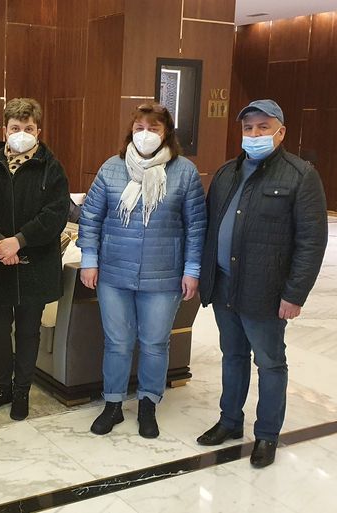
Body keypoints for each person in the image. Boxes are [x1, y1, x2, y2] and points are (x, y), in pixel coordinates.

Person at [196, 99, 328, 468]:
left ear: (281, 132)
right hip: (224, 285)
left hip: (265, 291)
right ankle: (229, 421)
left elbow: (311, 241)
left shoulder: (300, 175)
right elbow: (209, 227)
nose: (254, 134)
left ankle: (267, 434)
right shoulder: (227, 173)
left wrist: (295, 293)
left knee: (270, 362)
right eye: (248, 128)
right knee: (232, 356)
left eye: (263, 127)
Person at [77, 103, 206, 438]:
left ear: (167, 133)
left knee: (155, 343)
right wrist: (89, 259)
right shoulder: (112, 168)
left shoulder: (184, 172)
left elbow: (196, 226)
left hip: (163, 276)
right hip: (114, 273)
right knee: (117, 343)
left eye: (153, 128)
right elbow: (90, 217)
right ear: (130, 131)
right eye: (139, 128)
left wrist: (192, 268)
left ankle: (148, 403)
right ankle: (113, 404)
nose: (145, 134)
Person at [0, 97, 69, 421]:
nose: (22, 134)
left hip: (35, 265)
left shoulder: (51, 167)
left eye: (28, 128)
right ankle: (1, 387)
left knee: (29, 332)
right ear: (5, 130)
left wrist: (19, 241)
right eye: (16, 127)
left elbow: (55, 213)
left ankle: (21, 392)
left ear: (38, 131)